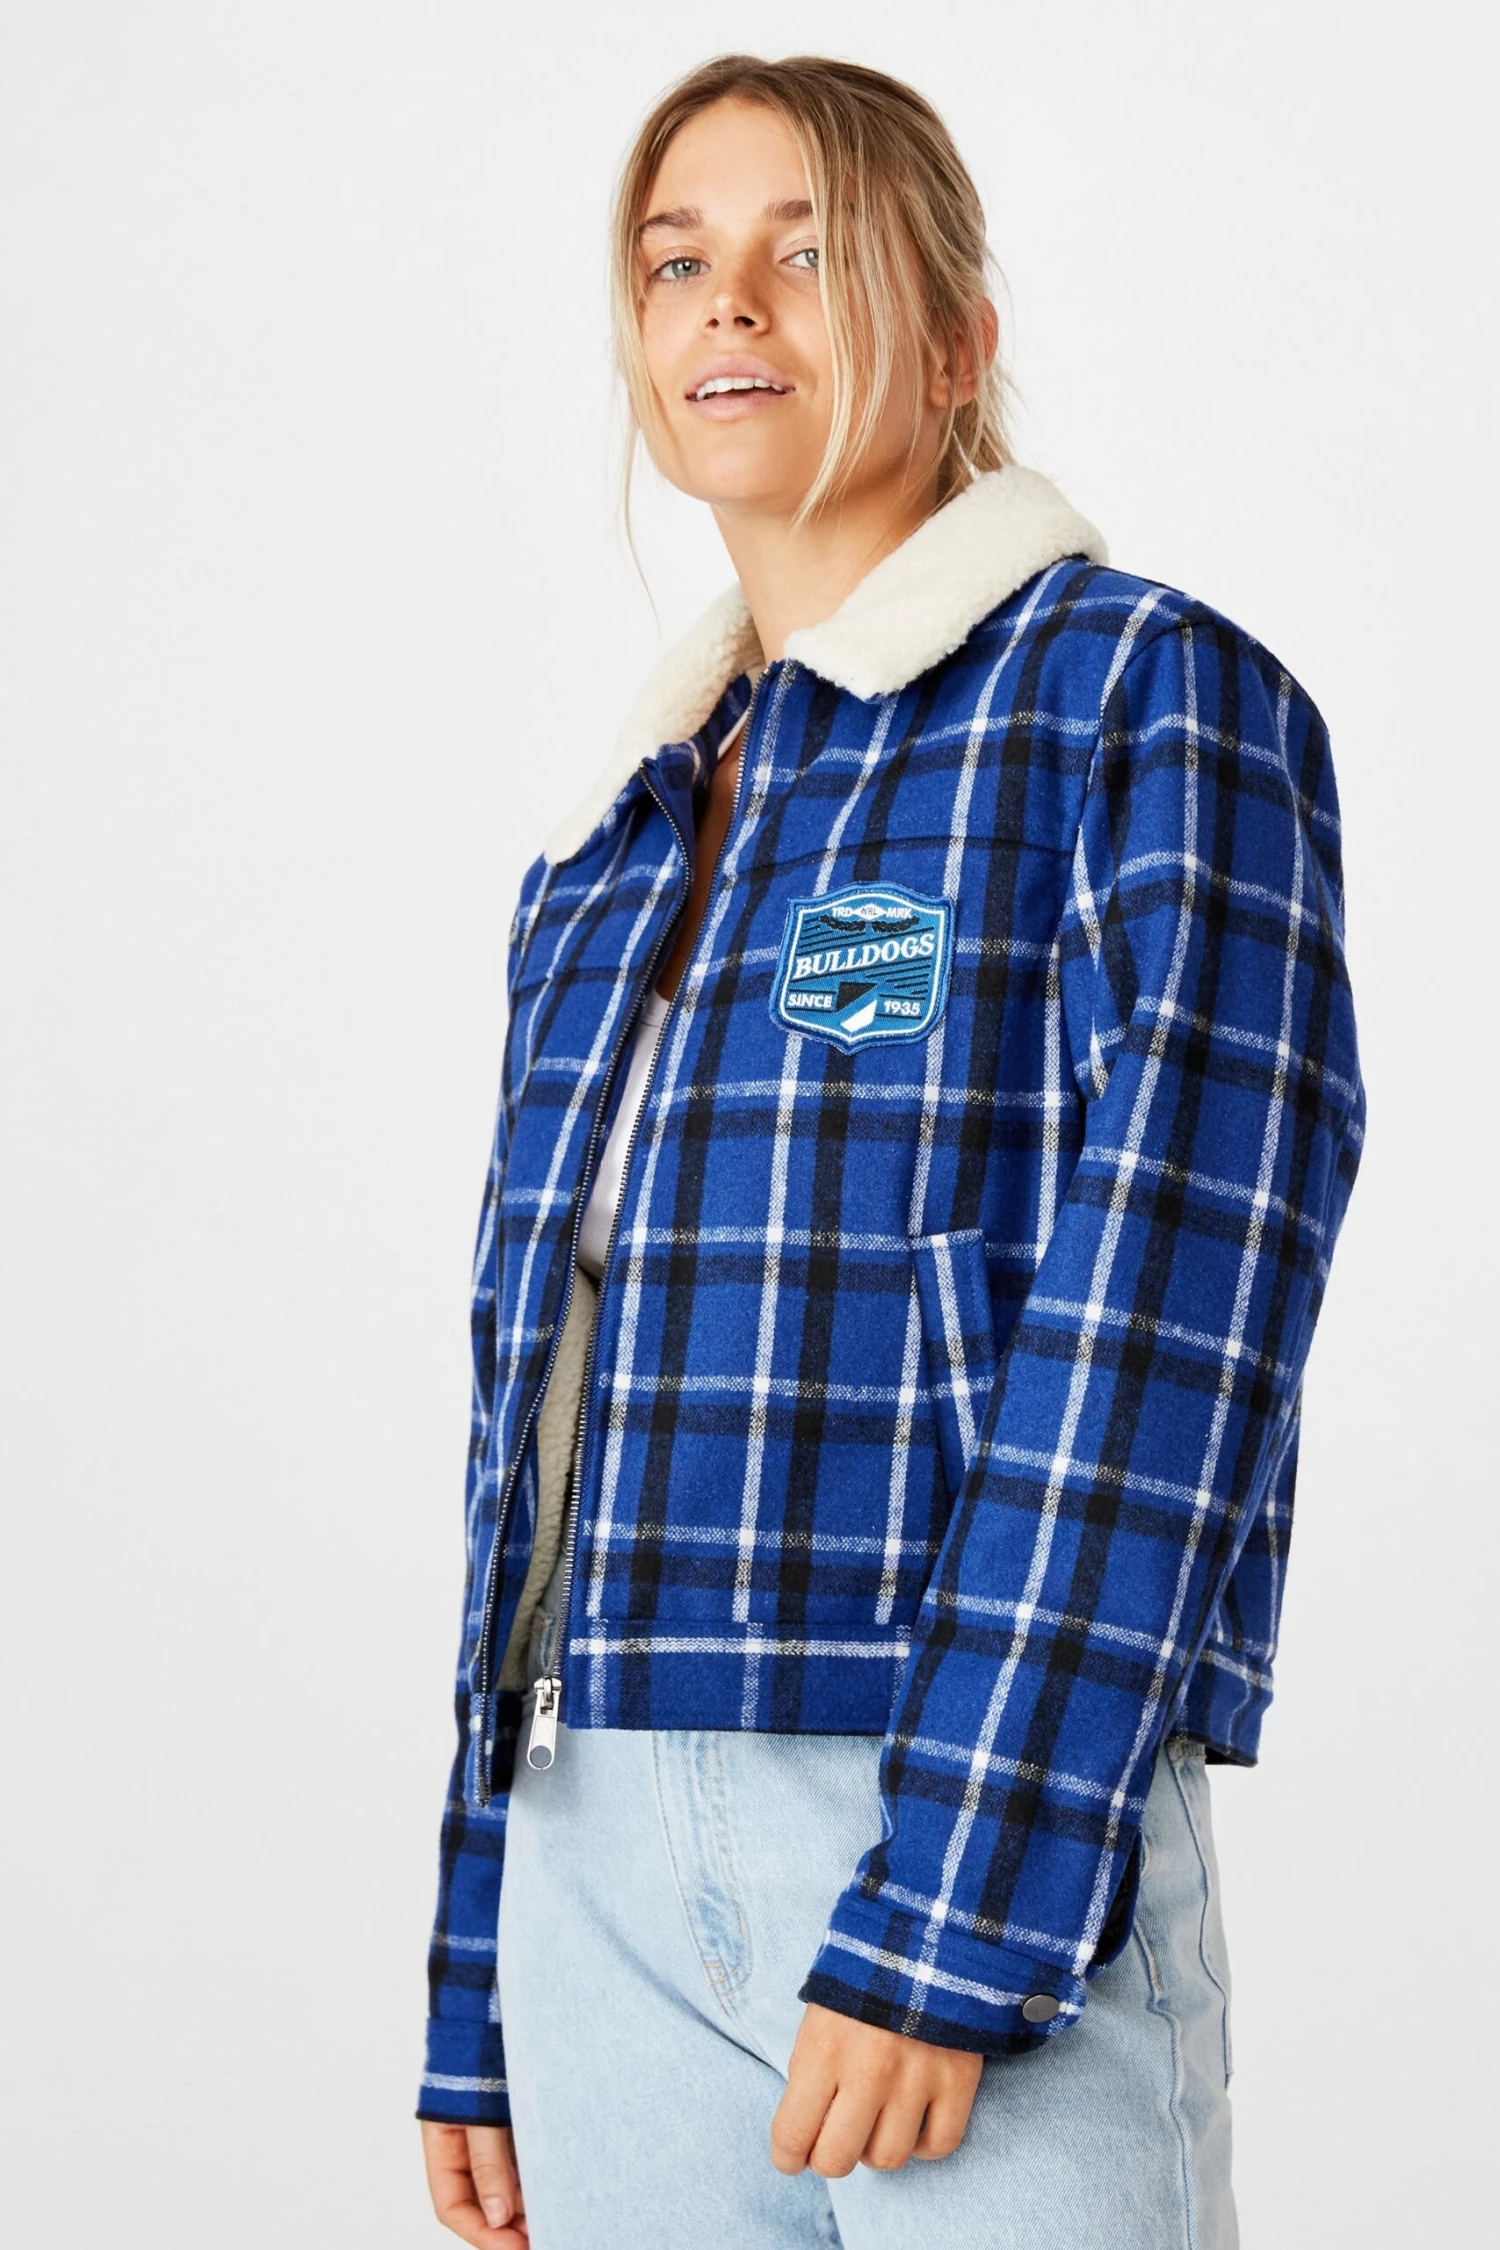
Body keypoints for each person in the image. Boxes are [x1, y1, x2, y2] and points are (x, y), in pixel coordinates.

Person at [415, 51, 1364, 2250]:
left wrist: (962, 1897)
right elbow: (525, 1443)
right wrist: (480, 1964)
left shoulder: (1139, 702)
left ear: (956, 345)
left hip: (948, 1803)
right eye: (677, 262)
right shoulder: (607, 853)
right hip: (590, 1851)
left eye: (808, 250)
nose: (728, 305)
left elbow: (1176, 1317)